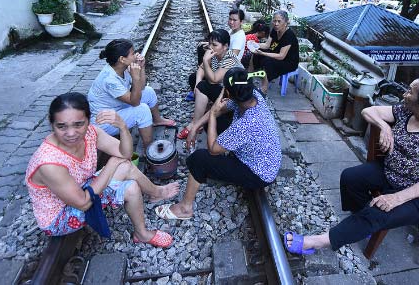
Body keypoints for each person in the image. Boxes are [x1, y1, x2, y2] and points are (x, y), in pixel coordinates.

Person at [284, 75, 419, 255]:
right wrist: (385, 127)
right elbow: (368, 112)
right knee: (350, 177)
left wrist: (395, 198)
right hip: (393, 173)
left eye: (410, 92)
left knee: (378, 212)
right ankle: (362, 224)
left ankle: (316, 242)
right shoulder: (406, 112)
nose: (405, 94)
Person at [25, 93, 178, 246]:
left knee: (125, 166)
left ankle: (155, 196)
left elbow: (125, 154)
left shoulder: (91, 133)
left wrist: (122, 127)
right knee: (130, 186)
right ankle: (144, 230)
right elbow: (83, 203)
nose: (71, 133)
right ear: (52, 125)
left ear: (88, 120)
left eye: (78, 124)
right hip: (61, 215)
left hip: (81, 188)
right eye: (61, 126)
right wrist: (111, 165)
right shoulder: (49, 163)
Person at [155, 68, 281, 220]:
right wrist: (195, 126)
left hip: (258, 173)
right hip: (262, 158)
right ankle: (223, 146)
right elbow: (220, 109)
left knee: (199, 159)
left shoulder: (247, 123)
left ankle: (185, 208)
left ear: (227, 93)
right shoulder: (251, 96)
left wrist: (214, 114)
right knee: (213, 122)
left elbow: (213, 150)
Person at [87, 39, 175, 148]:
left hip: (115, 107)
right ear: (122, 59)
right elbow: (135, 102)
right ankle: (149, 148)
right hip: (103, 122)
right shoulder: (109, 79)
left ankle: (157, 120)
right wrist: (135, 77)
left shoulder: (121, 68)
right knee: (142, 110)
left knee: (148, 91)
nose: (136, 55)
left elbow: (141, 87)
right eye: (132, 53)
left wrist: (141, 67)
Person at [181, 29, 243, 139]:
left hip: (232, 96)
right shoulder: (215, 53)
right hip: (221, 87)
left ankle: (195, 124)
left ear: (225, 46)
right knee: (194, 78)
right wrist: (197, 83)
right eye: (210, 43)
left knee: (203, 86)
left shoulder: (230, 59)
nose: (210, 47)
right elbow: (201, 69)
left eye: (214, 44)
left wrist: (205, 60)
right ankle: (204, 106)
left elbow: (214, 79)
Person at [252, 10, 299, 94]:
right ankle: (249, 75)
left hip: (289, 62)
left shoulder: (289, 35)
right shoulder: (274, 30)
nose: (276, 24)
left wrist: (264, 54)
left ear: (285, 22)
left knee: (268, 61)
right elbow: (267, 45)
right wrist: (255, 44)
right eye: (274, 21)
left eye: (279, 21)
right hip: (277, 54)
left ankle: (264, 89)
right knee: (256, 52)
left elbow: (281, 56)